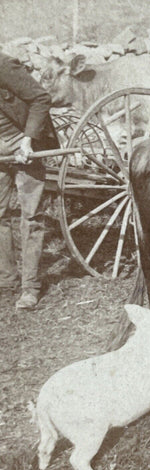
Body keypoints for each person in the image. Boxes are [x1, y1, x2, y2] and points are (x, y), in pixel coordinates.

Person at [0, 51, 59, 309]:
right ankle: (6, 279)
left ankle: (30, 288)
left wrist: (27, 141)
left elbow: (40, 98)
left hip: (26, 145)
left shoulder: (5, 66)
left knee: (31, 216)